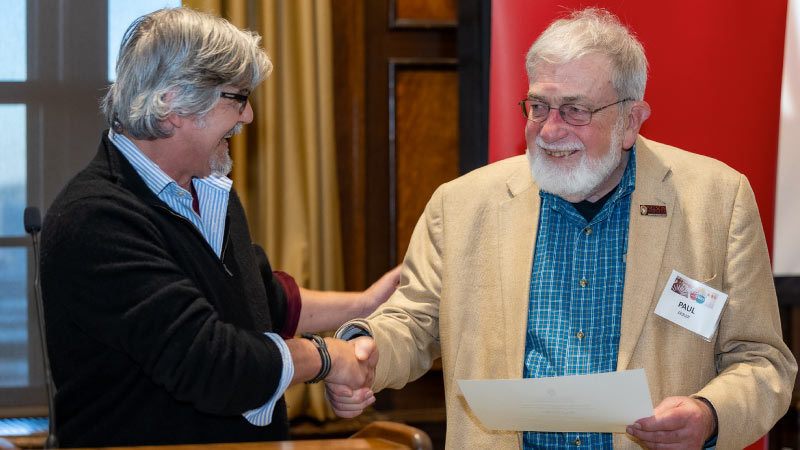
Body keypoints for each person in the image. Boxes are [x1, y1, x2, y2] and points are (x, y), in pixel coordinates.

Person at [326, 7, 797, 450]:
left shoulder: (718, 201)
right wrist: (361, 354)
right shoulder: (461, 205)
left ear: (630, 120)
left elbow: (762, 362)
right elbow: (411, 322)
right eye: (538, 106)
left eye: (575, 110)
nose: (550, 131)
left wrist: (708, 414)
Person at [39, 7, 392, 448]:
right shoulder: (95, 220)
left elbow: (262, 300)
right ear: (172, 104)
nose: (246, 117)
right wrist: (324, 357)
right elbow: (211, 365)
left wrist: (366, 302)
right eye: (237, 98)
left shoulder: (210, 191)